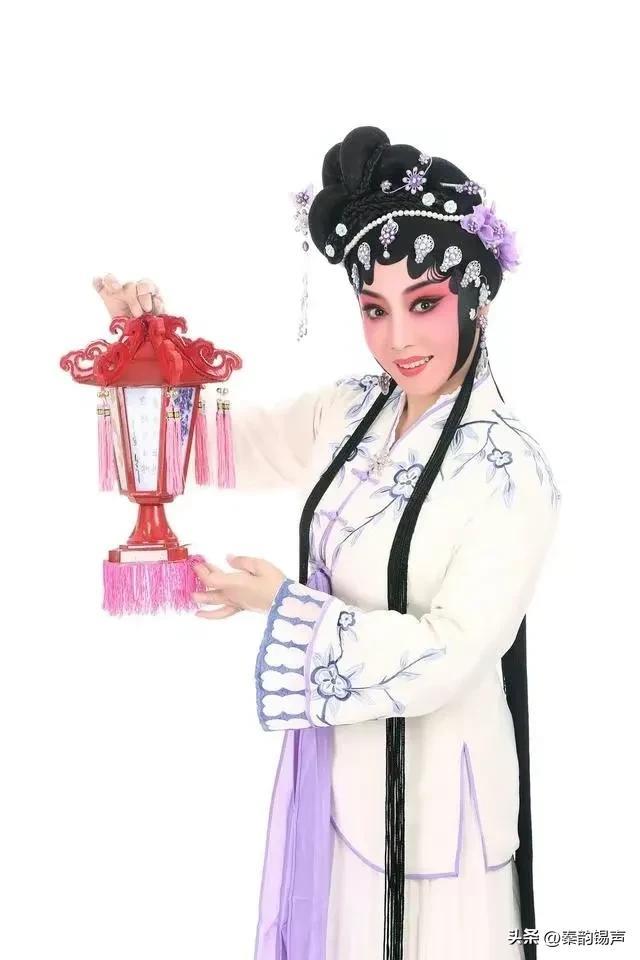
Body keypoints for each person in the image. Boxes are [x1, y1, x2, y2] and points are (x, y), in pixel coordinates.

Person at [95, 126, 561, 960]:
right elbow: (215, 446)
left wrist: (283, 608)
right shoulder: (352, 411)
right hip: (342, 785)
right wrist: (149, 350)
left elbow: (448, 656)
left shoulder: (511, 469)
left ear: (478, 298)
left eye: (424, 304)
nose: (398, 339)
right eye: (375, 310)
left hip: (443, 825)